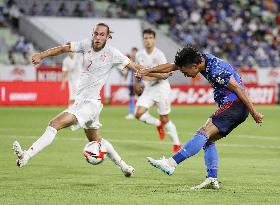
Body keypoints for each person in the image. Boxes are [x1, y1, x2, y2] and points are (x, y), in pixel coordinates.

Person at [11, 23, 164, 177]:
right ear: (93, 34)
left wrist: (159, 74)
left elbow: (137, 67)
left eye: (102, 34)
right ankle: (125, 167)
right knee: (98, 141)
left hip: (90, 104)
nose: (98, 37)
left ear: (107, 36)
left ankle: (26, 156)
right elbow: (63, 48)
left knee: (54, 124)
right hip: (85, 102)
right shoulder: (86, 44)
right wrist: (41, 55)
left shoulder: (112, 53)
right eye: (96, 34)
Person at [141, 45, 264, 189]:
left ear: (194, 66)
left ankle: (170, 164)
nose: (184, 74)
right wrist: (148, 70)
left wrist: (254, 112)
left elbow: (238, 88)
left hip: (235, 105)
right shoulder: (199, 59)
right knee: (208, 140)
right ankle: (212, 178)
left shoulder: (215, 69)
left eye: (185, 71)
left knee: (203, 132)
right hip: (234, 108)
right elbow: (171, 66)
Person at [134, 28, 181, 153]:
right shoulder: (139, 55)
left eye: (150, 38)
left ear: (154, 40)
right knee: (138, 114)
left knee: (165, 118)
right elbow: (137, 71)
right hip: (148, 89)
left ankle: (177, 144)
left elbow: (165, 74)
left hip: (161, 88)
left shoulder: (159, 54)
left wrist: (147, 75)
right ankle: (157, 124)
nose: (148, 40)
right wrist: (136, 82)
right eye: (145, 38)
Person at [124, 47, 138, 120]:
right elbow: (125, 74)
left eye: (135, 52)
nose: (133, 54)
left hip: (139, 83)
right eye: (132, 52)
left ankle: (140, 112)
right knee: (131, 97)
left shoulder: (139, 62)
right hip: (132, 83)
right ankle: (131, 113)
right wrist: (126, 71)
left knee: (140, 98)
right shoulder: (129, 62)